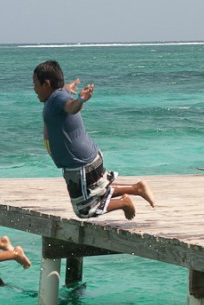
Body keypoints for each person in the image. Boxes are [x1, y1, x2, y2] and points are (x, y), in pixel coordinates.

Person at [32, 60, 155, 220]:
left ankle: (124, 202)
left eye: (35, 84)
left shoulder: (57, 98)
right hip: (87, 159)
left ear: (47, 84)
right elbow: (65, 98)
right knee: (97, 190)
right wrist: (67, 88)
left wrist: (80, 100)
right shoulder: (58, 94)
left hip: (80, 164)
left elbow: (71, 107)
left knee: (84, 209)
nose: (34, 89)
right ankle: (137, 188)